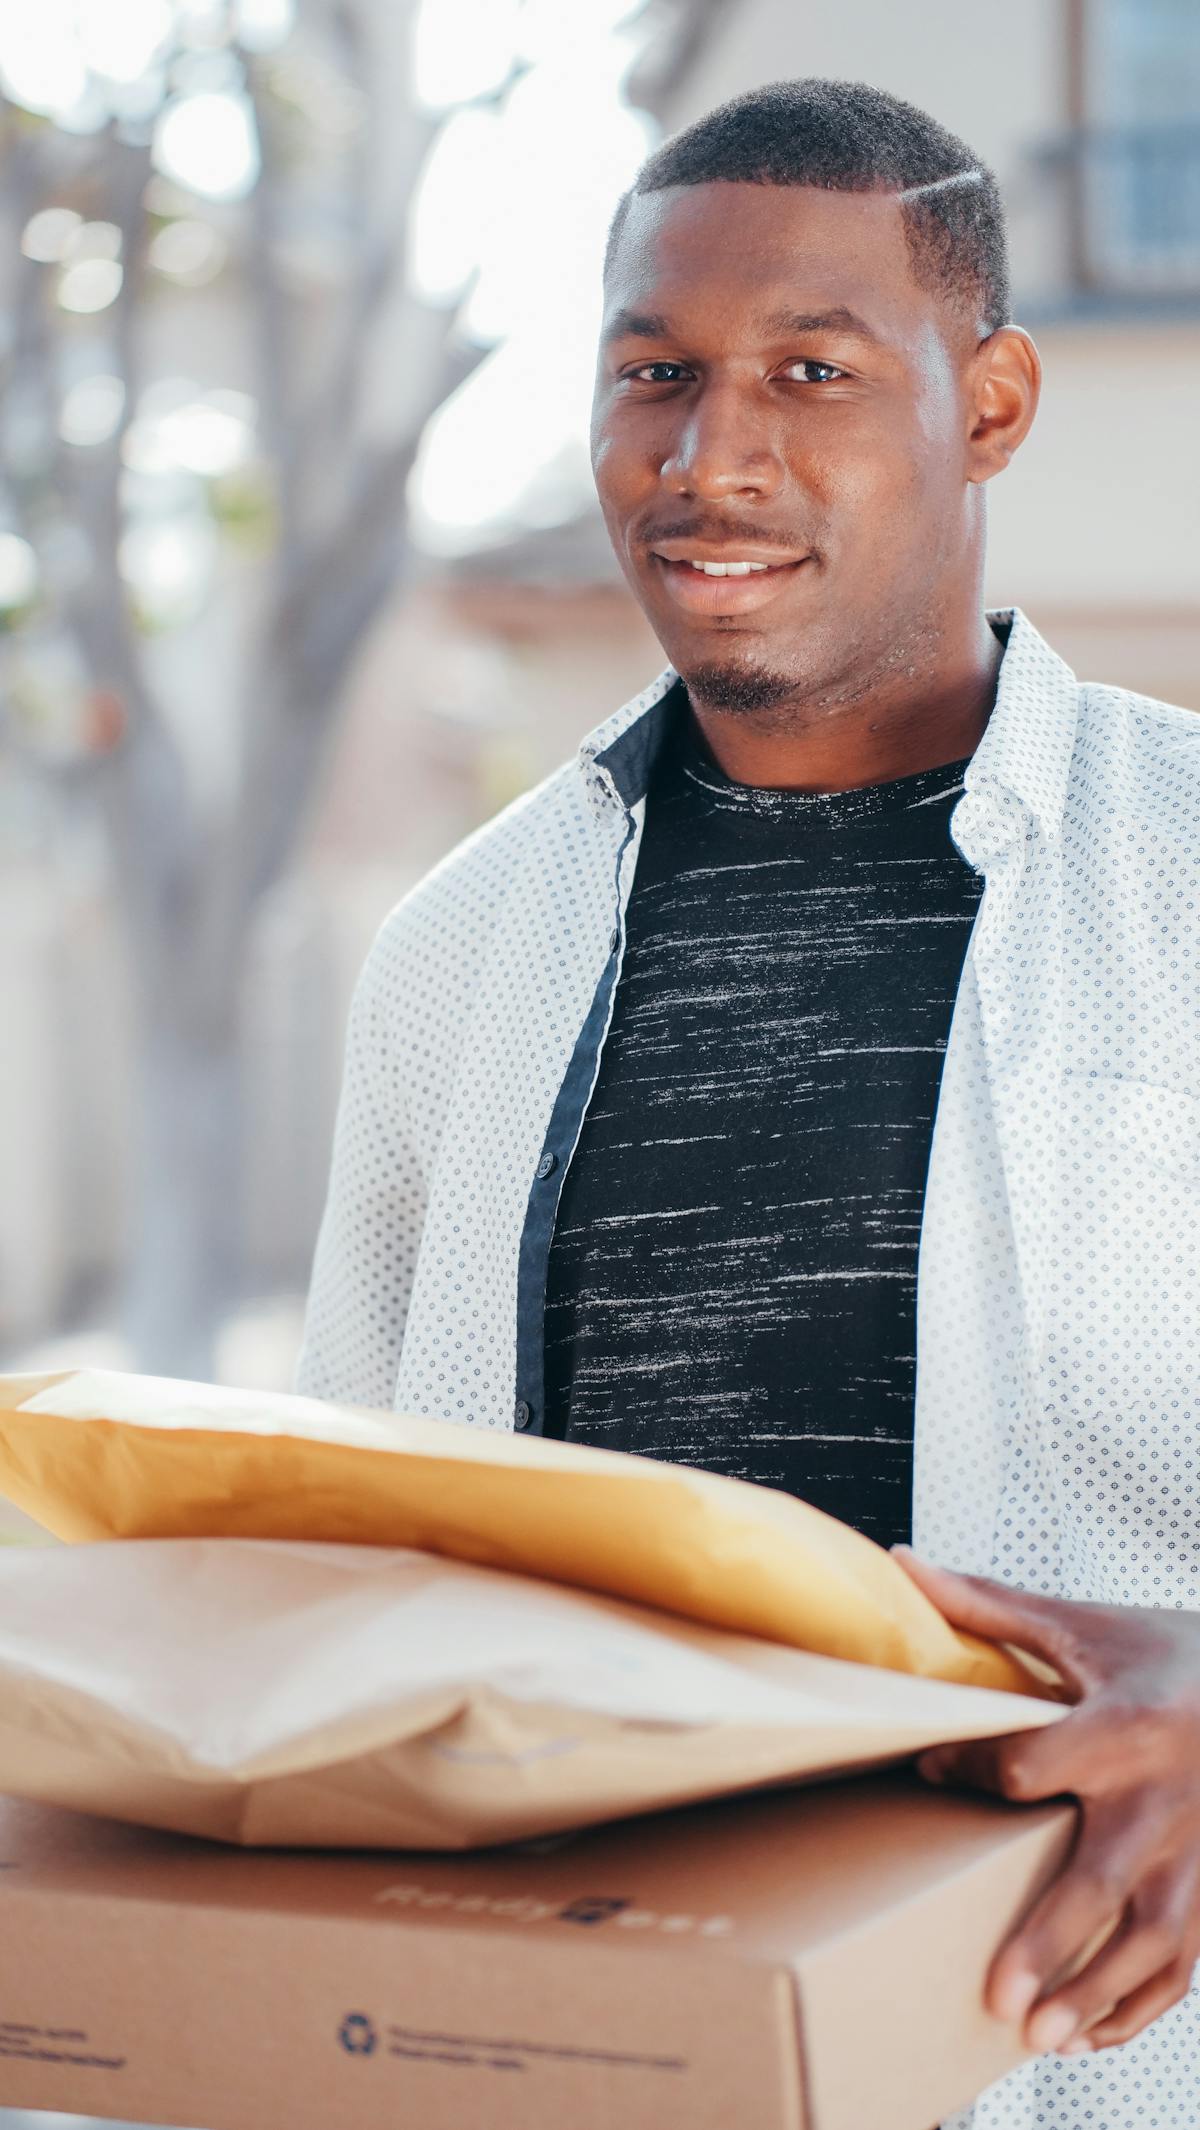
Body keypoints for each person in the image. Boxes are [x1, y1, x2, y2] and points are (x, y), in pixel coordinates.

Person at [296, 78, 1200, 2130]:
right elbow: (351, 1582)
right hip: (589, 2076)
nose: (714, 458)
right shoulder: (455, 958)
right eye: (656, 374)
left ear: (989, 405)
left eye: (812, 367)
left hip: (1118, 2081)